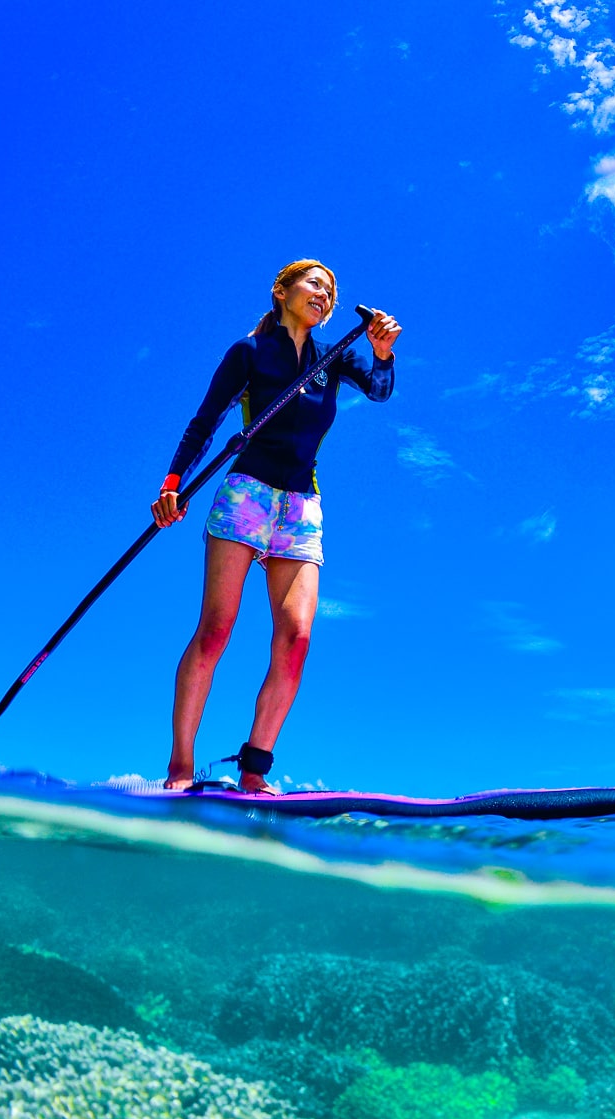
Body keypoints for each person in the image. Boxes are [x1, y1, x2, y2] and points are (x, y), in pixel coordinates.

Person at [150, 259, 400, 791]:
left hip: (301, 507)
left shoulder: (334, 359)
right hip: (247, 496)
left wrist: (383, 354)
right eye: (315, 283)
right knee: (216, 631)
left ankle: (254, 770)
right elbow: (205, 422)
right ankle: (179, 766)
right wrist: (173, 483)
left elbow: (380, 391)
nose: (324, 294)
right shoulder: (249, 352)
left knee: (297, 638)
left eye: (331, 291)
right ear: (282, 291)